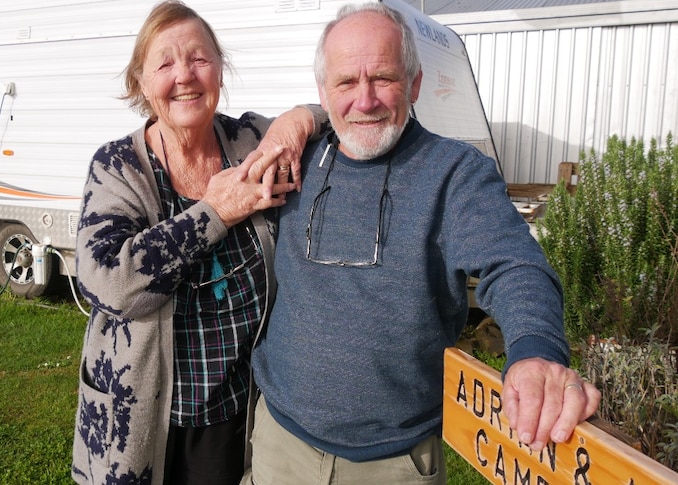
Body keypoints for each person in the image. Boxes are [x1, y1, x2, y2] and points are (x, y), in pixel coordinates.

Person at [248, 3, 601, 484]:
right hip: (280, 443)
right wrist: (297, 119)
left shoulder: (455, 173)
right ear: (323, 92)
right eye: (347, 82)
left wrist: (535, 350)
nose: (365, 100)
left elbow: (515, 265)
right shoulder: (293, 159)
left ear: (414, 84)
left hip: (393, 463)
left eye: (384, 79)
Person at [70, 2, 326, 485]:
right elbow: (108, 282)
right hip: (142, 422)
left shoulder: (250, 141)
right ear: (141, 84)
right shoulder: (118, 167)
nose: (184, 76)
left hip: (239, 413)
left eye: (199, 59)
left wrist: (299, 118)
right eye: (164, 63)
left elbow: (347, 114)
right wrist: (215, 213)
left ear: (220, 70)